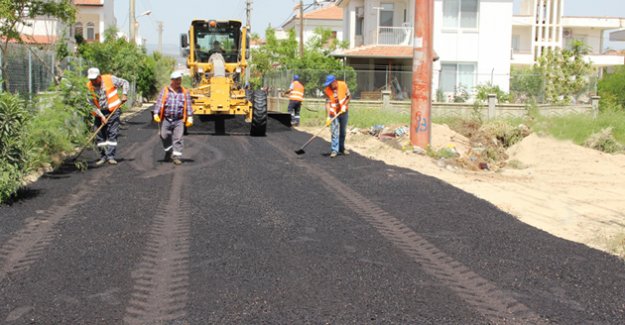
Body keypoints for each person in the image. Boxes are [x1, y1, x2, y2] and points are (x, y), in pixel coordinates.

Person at [86, 67, 129, 165]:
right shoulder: (88, 87)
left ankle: (110, 157)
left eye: (94, 79)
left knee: (112, 134)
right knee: (100, 136)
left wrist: (125, 94)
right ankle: (103, 156)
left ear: (99, 77)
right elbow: (91, 104)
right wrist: (101, 116)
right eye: (91, 79)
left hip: (113, 111)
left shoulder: (109, 79)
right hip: (99, 113)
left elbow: (125, 82)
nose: (93, 81)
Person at [153, 71, 194, 165]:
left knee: (178, 138)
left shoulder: (185, 92)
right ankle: (169, 151)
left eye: (179, 79)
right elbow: (159, 102)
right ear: (171, 80)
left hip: (179, 119)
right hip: (166, 119)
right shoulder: (165, 90)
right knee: (164, 135)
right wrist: (156, 113)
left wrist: (190, 117)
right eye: (176, 80)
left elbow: (188, 105)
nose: (178, 82)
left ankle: (176, 157)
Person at [322, 74, 351, 158]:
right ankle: (334, 150)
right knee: (334, 131)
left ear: (334, 82)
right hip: (334, 113)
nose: (329, 85)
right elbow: (327, 103)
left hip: (343, 111)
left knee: (343, 131)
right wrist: (328, 117)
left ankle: (341, 148)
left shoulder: (343, 85)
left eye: (330, 83)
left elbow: (349, 96)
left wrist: (344, 105)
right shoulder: (327, 90)